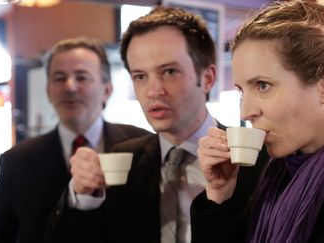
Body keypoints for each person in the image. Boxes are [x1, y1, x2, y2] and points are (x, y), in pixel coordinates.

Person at [49, 6, 267, 243]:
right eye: (140, 76)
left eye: (170, 72)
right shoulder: (124, 159)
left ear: (207, 78)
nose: (153, 91)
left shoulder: (256, 159)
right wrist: (80, 195)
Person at [191, 1, 324, 243]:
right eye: (242, 91)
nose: (246, 111)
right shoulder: (269, 172)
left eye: (263, 85)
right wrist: (219, 193)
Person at [0, 37, 150, 243]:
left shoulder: (142, 144)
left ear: (107, 90)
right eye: (59, 78)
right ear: (48, 90)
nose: (70, 87)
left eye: (82, 77)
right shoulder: (17, 161)